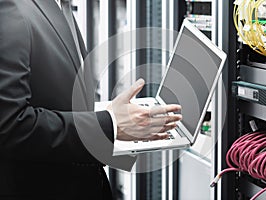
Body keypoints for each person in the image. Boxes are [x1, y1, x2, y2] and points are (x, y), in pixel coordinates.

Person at [0, 0, 182, 199]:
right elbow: (10, 126)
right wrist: (109, 123)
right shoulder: (11, 9)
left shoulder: (59, 6)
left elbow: (52, 96)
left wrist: (112, 116)